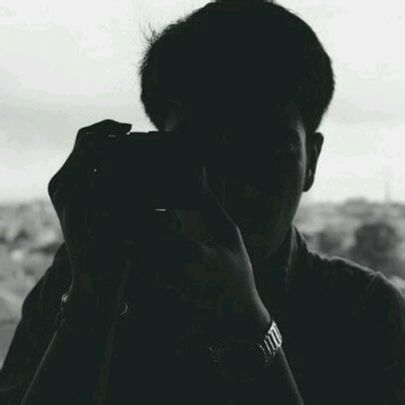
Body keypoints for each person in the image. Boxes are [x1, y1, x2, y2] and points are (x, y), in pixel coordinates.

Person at [1, 1, 405, 404]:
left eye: (265, 147)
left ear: (310, 162)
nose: (233, 180)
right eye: (202, 148)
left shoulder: (370, 313)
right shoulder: (360, 311)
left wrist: (91, 304)